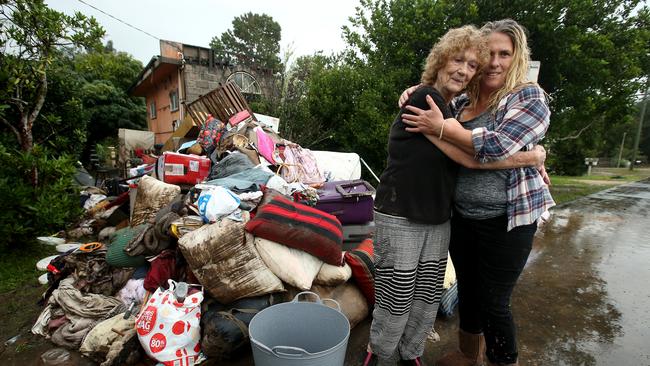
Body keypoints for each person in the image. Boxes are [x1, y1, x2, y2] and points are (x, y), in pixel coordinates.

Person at [366, 25, 546, 366]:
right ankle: (390, 357)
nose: (471, 68)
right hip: (420, 213)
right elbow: (470, 156)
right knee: (410, 293)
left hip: (482, 218)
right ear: (440, 60)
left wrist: (534, 156)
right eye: (460, 60)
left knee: (467, 298)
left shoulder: (519, 97)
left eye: (473, 64)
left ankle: (438, 355)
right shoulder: (441, 102)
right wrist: (530, 157)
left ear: (517, 58)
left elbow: (491, 145)